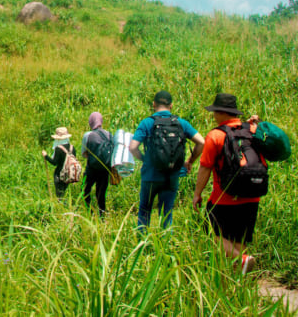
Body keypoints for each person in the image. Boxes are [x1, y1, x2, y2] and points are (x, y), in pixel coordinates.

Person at [193, 93, 261, 274]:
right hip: (253, 195)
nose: (213, 116)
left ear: (222, 113)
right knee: (239, 240)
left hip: (225, 197)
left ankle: (243, 260)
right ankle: (241, 285)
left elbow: (205, 167)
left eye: (215, 112)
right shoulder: (252, 131)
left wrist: (197, 194)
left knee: (212, 235)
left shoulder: (215, 135)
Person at [128, 90, 205, 230]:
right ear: (171, 106)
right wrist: (190, 161)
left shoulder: (147, 123)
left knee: (145, 211)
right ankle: (165, 245)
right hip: (172, 175)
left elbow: (133, 147)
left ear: (154, 104)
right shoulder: (181, 123)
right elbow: (201, 142)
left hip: (150, 175)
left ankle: (142, 245)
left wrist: (145, 159)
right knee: (167, 214)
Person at [81, 112, 111, 217]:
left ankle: (88, 211)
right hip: (105, 169)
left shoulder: (87, 135)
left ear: (91, 122)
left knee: (85, 189)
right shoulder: (108, 134)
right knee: (101, 193)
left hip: (91, 168)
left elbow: (84, 154)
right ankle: (101, 215)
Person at [42, 126, 76, 199]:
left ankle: (60, 207)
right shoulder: (72, 148)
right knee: (65, 192)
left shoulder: (58, 149)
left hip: (60, 174)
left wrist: (46, 156)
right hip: (69, 174)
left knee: (59, 194)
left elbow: (54, 162)